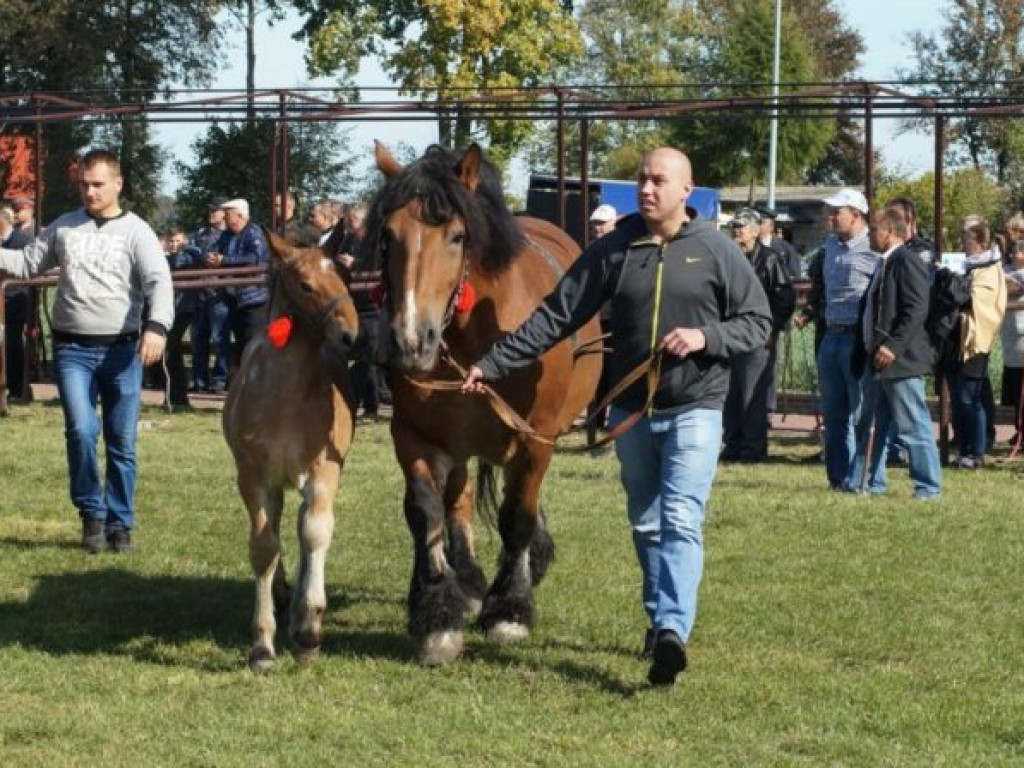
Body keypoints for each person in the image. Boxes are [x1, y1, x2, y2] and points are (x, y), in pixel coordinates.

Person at [461, 147, 772, 686]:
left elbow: (757, 322)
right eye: (642, 180)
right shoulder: (614, 250)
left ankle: (673, 629)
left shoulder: (716, 250)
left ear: (686, 191)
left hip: (696, 407)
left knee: (680, 518)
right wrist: (491, 363)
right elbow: (556, 317)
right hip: (631, 413)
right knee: (647, 522)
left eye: (658, 181)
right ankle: (659, 620)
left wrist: (707, 337)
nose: (646, 190)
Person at [0, 149, 174, 553]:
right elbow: (27, 263)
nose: (90, 192)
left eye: (97, 184)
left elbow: (159, 282)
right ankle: (91, 514)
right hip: (72, 349)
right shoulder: (65, 227)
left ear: (118, 184)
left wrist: (157, 327)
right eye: (83, 184)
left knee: (121, 441)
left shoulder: (138, 232)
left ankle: (120, 523)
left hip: (122, 351)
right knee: (80, 430)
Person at [844, 208, 941, 498]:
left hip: (899, 361)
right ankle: (865, 483)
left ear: (890, 232)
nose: (869, 234)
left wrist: (893, 346)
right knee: (870, 424)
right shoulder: (883, 263)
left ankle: (928, 488)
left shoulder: (906, 261)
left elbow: (916, 309)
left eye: (873, 229)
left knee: (913, 426)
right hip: (877, 361)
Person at [816, 187, 879, 489]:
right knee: (834, 413)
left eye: (837, 211)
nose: (831, 217)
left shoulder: (874, 247)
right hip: (831, 335)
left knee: (860, 413)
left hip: (857, 337)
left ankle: (860, 478)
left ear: (856, 214)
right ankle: (837, 477)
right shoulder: (829, 245)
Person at [722, 208, 795, 461]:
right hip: (729, 334)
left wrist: (772, 329)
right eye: (734, 226)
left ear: (755, 231)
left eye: (741, 227)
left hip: (757, 335)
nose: (736, 231)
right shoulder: (727, 257)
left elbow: (784, 297)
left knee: (752, 395)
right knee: (730, 393)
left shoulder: (770, 259)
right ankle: (732, 445)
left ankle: (752, 449)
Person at [941, 218, 1007, 468]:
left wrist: (958, 287)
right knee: (959, 398)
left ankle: (976, 451)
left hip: (975, 342)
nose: (964, 244)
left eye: (967, 240)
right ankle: (965, 447)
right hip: (957, 341)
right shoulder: (970, 267)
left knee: (971, 398)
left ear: (980, 242)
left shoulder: (990, 269)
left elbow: (981, 301)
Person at [208, 199, 269, 374]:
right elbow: (217, 252)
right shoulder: (226, 235)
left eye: (228, 214)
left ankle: (257, 379)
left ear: (240, 215)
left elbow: (255, 260)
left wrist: (224, 260)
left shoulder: (255, 233)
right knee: (241, 341)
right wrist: (212, 258)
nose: (225, 218)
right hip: (233, 296)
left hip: (254, 298)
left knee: (255, 341)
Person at [337, 201, 386, 417]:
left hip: (374, 306)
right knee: (362, 355)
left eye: (354, 218)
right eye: (349, 218)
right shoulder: (346, 240)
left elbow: (381, 264)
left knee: (369, 355)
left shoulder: (376, 240)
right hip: (354, 304)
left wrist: (354, 264)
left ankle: (364, 403)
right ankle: (367, 404)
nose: (350, 221)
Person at [190, 197, 230, 393]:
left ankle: (220, 380)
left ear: (224, 213)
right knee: (199, 339)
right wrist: (198, 254)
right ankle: (200, 381)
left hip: (219, 294)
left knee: (219, 339)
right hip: (200, 294)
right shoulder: (199, 234)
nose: (212, 213)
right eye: (210, 210)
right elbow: (188, 251)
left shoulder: (229, 235)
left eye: (216, 210)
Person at [162, 226, 203, 408]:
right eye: (172, 241)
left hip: (184, 307)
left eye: (179, 241)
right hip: (170, 307)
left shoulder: (191, 252)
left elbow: (180, 261)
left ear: (185, 240)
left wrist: (168, 254)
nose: (175, 245)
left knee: (170, 347)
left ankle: (176, 395)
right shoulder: (166, 257)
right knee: (172, 350)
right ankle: (175, 395)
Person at [2, 197, 37, 401]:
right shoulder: (8, 240)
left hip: (15, 302)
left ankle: (17, 387)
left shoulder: (23, 240)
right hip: (5, 300)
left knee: (13, 345)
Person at [1000, 232, 1024, 445]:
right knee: (1015, 390)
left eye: (1018, 250)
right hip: (1009, 337)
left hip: (1022, 335)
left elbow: (1016, 290)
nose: (1014, 253)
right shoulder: (1005, 271)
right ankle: (1019, 429)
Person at [755, 205, 802, 280]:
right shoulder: (752, 246)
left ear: (771, 226)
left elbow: (795, 276)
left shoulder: (786, 249)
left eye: (762, 222)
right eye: (757, 222)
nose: (758, 225)